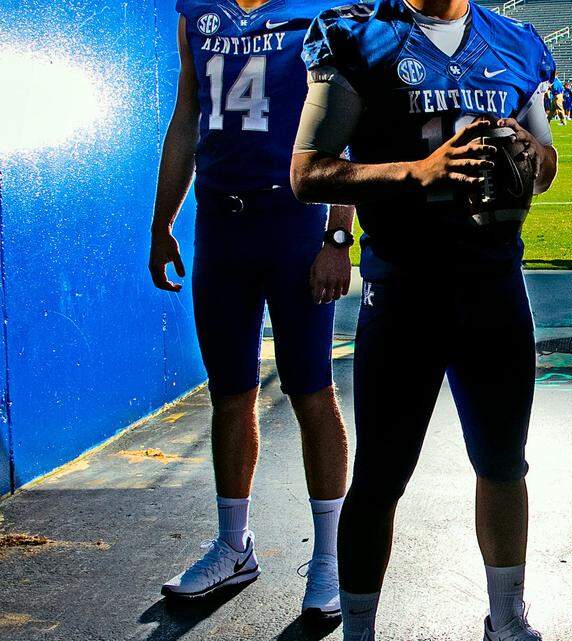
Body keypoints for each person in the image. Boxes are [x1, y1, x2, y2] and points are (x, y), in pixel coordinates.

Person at [289, 0, 558, 639]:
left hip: (493, 288)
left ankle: (507, 616)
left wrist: (525, 153)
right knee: (379, 478)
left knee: (503, 465)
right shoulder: (358, 33)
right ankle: (359, 628)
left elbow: (545, 163)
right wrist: (422, 171)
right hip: (405, 292)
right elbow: (309, 172)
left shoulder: (515, 42)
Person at [147, 0, 352, 618]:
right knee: (230, 391)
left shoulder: (322, 11)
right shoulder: (198, 10)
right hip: (221, 221)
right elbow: (188, 113)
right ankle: (234, 546)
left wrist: (338, 236)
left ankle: (329, 557)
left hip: (293, 216)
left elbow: (348, 120)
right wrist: (162, 220)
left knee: (312, 389)